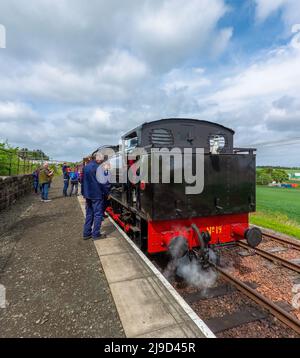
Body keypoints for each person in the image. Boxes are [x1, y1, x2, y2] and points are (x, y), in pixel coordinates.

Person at [82, 153, 107, 240]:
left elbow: (83, 181)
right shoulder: (99, 168)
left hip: (88, 194)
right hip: (96, 195)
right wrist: (107, 193)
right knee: (98, 214)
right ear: (98, 159)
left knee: (89, 214)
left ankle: (86, 233)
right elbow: (104, 183)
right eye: (102, 159)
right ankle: (96, 234)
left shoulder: (86, 167)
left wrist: (83, 193)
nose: (103, 160)